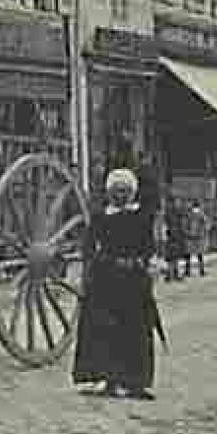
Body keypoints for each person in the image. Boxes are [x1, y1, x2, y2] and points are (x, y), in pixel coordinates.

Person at [72, 169, 161, 400]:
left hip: (133, 279)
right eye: (116, 190)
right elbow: (89, 245)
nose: (121, 195)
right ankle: (108, 379)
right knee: (105, 329)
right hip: (106, 279)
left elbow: (149, 245)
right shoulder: (101, 217)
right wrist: (90, 269)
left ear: (132, 193)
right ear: (109, 193)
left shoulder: (142, 217)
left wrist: (149, 265)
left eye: (125, 190)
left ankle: (135, 382)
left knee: (136, 330)